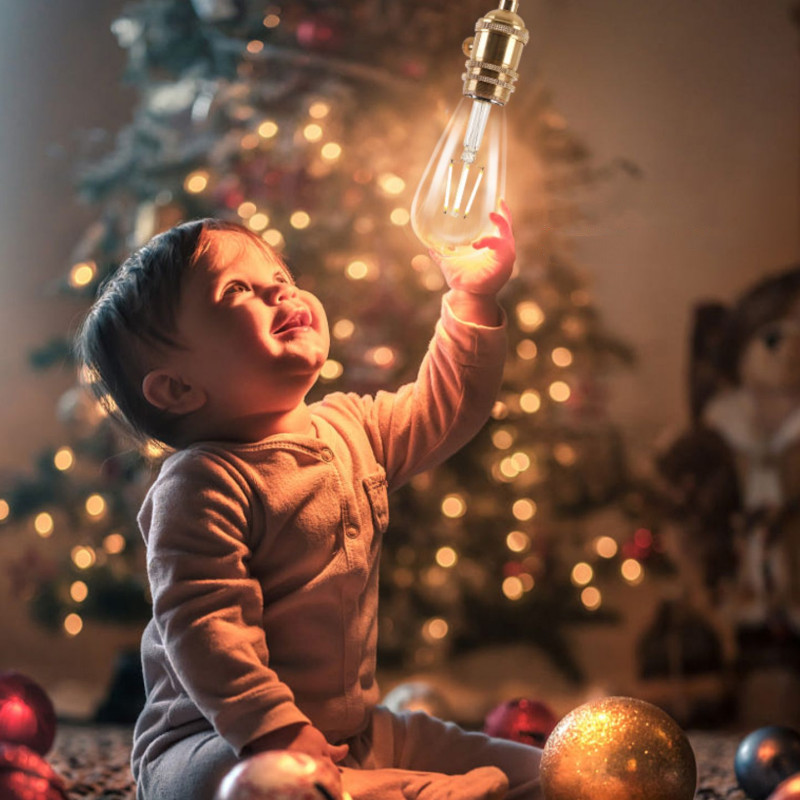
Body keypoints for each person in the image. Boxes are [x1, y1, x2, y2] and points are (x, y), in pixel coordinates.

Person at [75, 201, 542, 800]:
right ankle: (404, 790)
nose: (279, 293)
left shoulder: (353, 427)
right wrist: (274, 730)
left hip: (351, 731)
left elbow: (447, 406)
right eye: (240, 289)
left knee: (546, 773)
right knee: (261, 787)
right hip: (215, 739)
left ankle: (398, 782)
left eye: (282, 279)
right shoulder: (200, 483)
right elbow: (206, 628)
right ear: (178, 387)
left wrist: (473, 302)